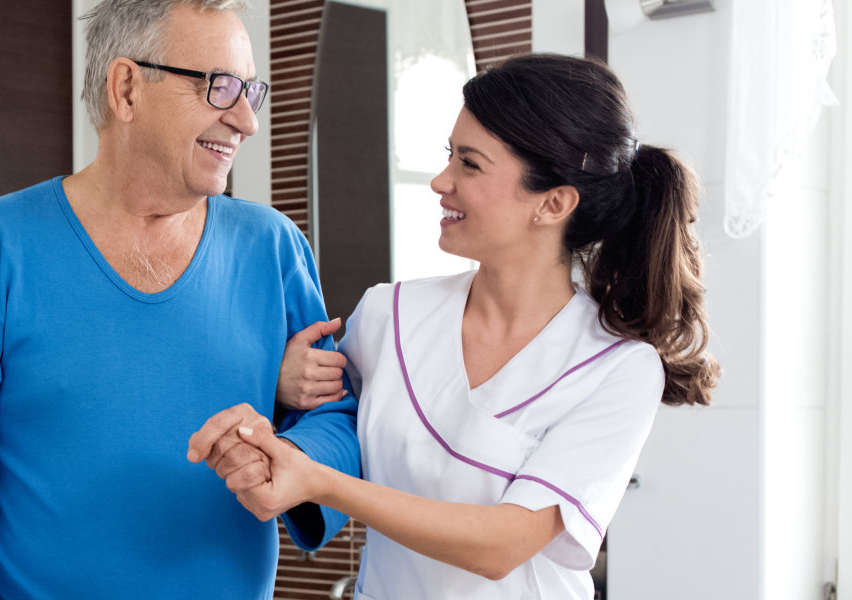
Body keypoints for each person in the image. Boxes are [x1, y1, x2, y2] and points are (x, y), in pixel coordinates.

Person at [0, 1, 359, 598]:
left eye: (250, 91)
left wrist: (284, 452)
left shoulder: (272, 247)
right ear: (127, 88)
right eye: (220, 87)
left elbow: (338, 420)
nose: (247, 120)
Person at [214, 53, 721, 599]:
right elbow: (326, 423)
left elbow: (501, 546)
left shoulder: (617, 368)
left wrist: (321, 483)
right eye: (448, 156)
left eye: (470, 164)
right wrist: (283, 380)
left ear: (552, 203)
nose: (440, 181)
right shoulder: (390, 314)